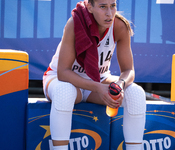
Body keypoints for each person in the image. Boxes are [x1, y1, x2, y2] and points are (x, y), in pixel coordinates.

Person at [43, 0, 146, 149]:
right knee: (65, 92)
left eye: (113, 6)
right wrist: (98, 87)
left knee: (136, 93)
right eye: (103, 6)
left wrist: (120, 84)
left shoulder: (119, 26)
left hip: (99, 80)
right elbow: (63, 73)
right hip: (64, 80)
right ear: (90, 7)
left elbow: (128, 70)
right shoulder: (75, 22)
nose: (109, 13)